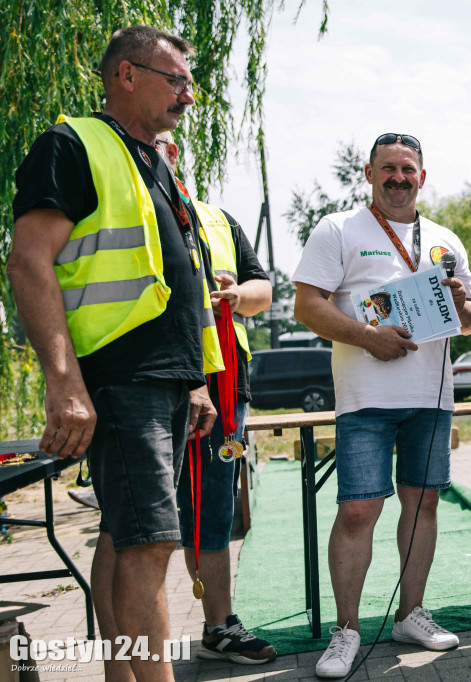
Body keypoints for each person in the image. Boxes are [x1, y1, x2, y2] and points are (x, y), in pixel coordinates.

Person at [6, 25, 220, 681]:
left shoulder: (158, 160)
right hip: (120, 377)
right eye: (175, 79)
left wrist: (196, 380)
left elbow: (181, 281)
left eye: (189, 80)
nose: (188, 93)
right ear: (125, 75)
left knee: (124, 536)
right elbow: (27, 261)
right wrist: (65, 383)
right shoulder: (73, 145)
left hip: (164, 381)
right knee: (152, 541)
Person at [292, 133, 471, 678]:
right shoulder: (338, 228)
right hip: (365, 399)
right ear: (369, 172)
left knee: (423, 506)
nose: (399, 178)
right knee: (358, 510)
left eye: (409, 169)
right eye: (388, 168)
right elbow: (307, 305)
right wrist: (366, 337)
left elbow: (467, 322)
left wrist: (465, 306)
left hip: (432, 397)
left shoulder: (444, 239)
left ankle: (410, 614)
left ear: (423, 176)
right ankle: (346, 630)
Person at [153, 132, 277, 664]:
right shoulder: (131, 213)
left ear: (174, 152)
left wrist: (234, 294)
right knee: (152, 514)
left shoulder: (218, 219)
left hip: (225, 380)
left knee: (214, 504)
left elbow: (262, 290)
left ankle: (218, 626)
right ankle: (145, 634)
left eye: (159, 141)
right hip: (155, 376)